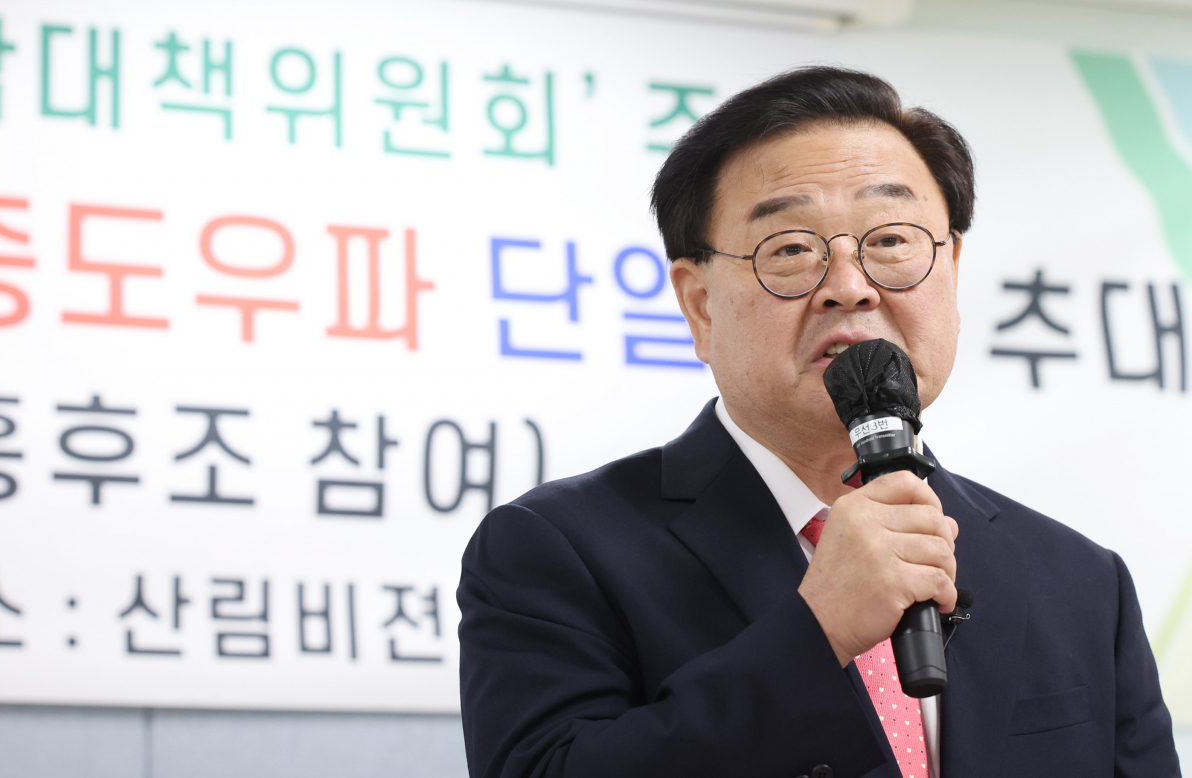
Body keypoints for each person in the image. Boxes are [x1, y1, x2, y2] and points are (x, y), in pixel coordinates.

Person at [456, 66, 1179, 778]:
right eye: (792, 250)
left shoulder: (1082, 582)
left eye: (892, 241)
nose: (849, 286)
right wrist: (818, 630)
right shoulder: (556, 551)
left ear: (952, 271)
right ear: (700, 305)